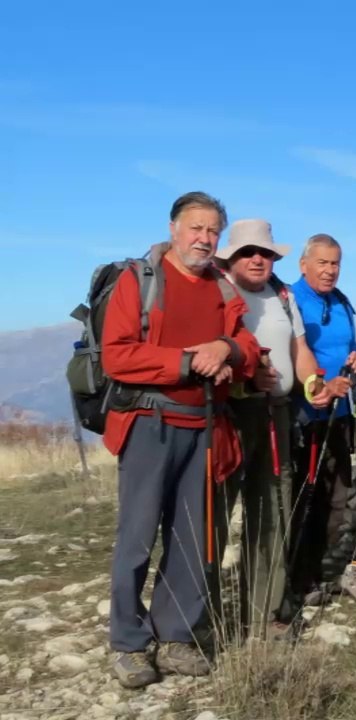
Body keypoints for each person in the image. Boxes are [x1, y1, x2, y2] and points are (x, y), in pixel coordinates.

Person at [101, 192, 260, 688]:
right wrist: (187, 362)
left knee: (194, 538)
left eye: (213, 230)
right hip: (150, 423)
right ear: (173, 228)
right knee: (137, 536)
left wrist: (226, 346)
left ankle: (176, 636)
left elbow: (250, 350)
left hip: (208, 427)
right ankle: (128, 641)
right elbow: (117, 356)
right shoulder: (139, 280)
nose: (204, 238)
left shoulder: (224, 289)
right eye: (195, 227)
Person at [214, 219, 325, 639]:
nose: (258, 259)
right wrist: (243, 380)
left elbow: (300, 349)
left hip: (276, 413)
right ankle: (206, 614)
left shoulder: (282, 294)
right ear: (232, 257)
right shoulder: (218, 289)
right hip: (230, 416)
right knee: (218, 513)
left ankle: (264, 613)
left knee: (274, 513)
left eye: (265, 253)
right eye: (248, 252)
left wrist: (313, 385)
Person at [289, 234, 356, 609]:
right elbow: (290, 356)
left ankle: (315, 572)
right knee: (306, 499)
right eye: (322, 262)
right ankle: (294, 577)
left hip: (340, 414)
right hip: (305, 416)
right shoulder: (290, 300)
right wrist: (321, 383)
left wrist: (355, 367)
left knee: (337, 499)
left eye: (335, 263)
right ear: (303, 265)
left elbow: (350, 352)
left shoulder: (342, 303)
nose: (330, 270)